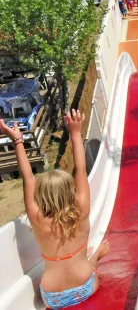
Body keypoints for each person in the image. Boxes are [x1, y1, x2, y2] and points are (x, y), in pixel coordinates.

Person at [0, 111, 109, 309]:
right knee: (89, 266)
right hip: (86, 286)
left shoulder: (37, 219)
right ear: (70, 190)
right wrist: (75, 133)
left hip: (51, 298)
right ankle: (94, 258)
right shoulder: (82, 210)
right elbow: (80, 169)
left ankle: (90, 260)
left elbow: (28, 179)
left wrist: (17, 141)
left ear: (41, 196)